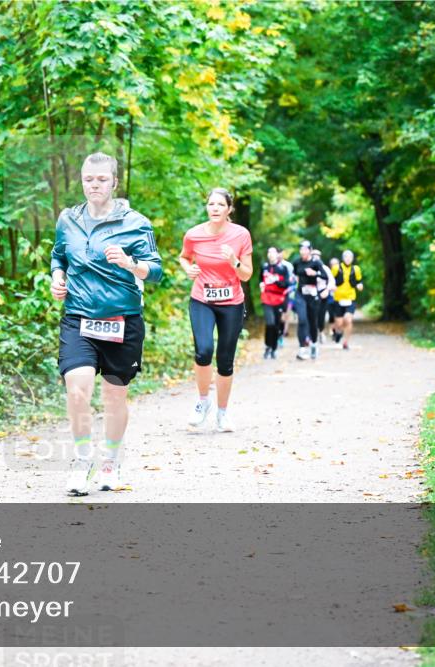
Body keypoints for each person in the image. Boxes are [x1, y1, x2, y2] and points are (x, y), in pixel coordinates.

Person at [50, 152, 163, 496]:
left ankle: (110, 461)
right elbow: (58, 254)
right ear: (81, 180)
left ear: (114, 182)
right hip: (79, 317)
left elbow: (156, 271)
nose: (94, 185)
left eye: (101, 179)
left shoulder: (136, 222)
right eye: (88, 179)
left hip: (122, 321)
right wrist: (57, 276)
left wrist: (130, 263)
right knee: (77, 388)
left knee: (114, 397)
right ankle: (83, 458)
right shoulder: (68, 219)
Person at [178, 188, 253, 432]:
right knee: (203, 350)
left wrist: (234, 261)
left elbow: (247, 274)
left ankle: (222, 412)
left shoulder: (241, 235)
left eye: (221, 204)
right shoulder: (194, 234)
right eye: (211, 204)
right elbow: (184, 257)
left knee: (225, 360)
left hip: (231, 302)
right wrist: (187, 268)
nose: (215, 208)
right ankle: (202, 401)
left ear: (229, 209)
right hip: (202, 298)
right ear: (207, 207)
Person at [291, 240, 327, 360]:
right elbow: (295, 273)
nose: (303, 252)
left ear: (310, 251)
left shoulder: (316, 262)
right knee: (302, 319)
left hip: (313, 295)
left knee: (313, 321)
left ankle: (314, 344)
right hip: (300, 294)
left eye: (305, 249)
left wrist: (315, 273)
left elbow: (325, 276)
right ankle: (302, 348)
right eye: (301, 249)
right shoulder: (297, 262)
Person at [259, 246, 291, 359]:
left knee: (277, 324)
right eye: (269, 252)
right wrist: (261, 285)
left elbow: (287, 284)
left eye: (273, 252)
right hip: (267, 298)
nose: (270, 254)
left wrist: (276, 281)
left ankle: (274, 348)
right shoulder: (264, 266)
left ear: (277, 254)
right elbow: (260, 279)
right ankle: (267, 346)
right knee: (270, 323)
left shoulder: (283, 268)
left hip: (279, 300)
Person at [332, 249, 364, 350]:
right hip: (338, 298)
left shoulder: (356, 269)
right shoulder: (336, 268)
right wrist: (332, 286)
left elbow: (359, 281)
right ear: (343, 258)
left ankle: (346, 342)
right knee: (339, 323)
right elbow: (330, 280)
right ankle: (337, 332)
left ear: (352, 259)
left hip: (351, 298)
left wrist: (360, 286)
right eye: (346, 257)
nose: (348, 259)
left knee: (348, 320)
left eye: (350, 257)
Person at [311, 248, 335, 345]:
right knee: (311, 314)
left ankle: (320, 331)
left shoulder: (325, 268)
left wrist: (327, 290)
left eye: (317, 256)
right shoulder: (308, 267)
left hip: (323, 293)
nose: (315, 257)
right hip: (311, 293)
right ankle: (311, 334)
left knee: (321, 315)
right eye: (313, 256)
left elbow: (331, 281)